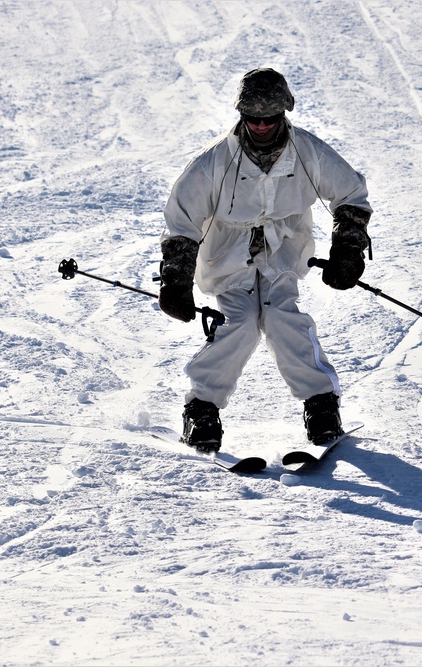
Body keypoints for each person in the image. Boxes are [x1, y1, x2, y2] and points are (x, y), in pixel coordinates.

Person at [157, 67, 373, 452]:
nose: (259, 125)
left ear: (283, 113)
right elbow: (182, 219)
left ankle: (321, 403)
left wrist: (348, 248)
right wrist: (176, 279)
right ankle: (201, 409)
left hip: (283, 250)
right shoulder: (214, 163)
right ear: (241, 115)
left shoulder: (307, 152)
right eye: (252, 118)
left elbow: (351, 192)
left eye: (268, 118)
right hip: (227, 256)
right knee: (237, 323)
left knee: (281, 315)